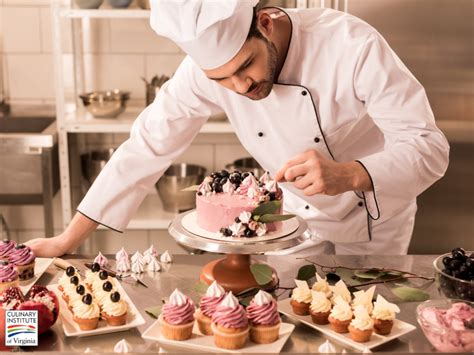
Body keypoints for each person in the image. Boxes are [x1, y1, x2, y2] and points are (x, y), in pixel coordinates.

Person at [27, 0, 449, 257]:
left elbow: (429, 147)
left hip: (374, 226)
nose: (240, 87)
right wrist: (68, 238)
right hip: (290, 227)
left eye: (246, 65)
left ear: (265, 22)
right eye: (222, 80)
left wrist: (350, 173)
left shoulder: (350, 45)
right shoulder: (204, 73)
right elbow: (146, 147)